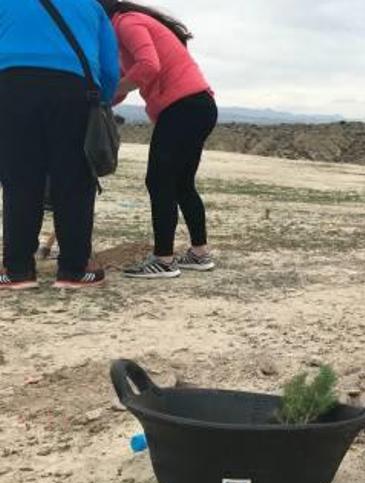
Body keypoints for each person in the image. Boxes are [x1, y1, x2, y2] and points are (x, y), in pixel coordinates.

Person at [0, 0, 119, 290]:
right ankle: (74, 270)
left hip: (11, 85)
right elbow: (110, 68)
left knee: (19, 178)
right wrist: (102, 101)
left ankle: (17, 271)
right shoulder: (92, 7)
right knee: (75, 180)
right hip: (73, 90)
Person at [100, 0, 217, 279]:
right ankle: (199, 254)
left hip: (183, 107)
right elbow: (127, 81)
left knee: (159, 181)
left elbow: (148, 66)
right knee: (182, 184)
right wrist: (103, 99)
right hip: (198, 106)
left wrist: (108, 93)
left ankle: (163, 260)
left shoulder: (127, 22)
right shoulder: (125, 28)